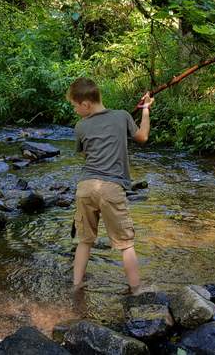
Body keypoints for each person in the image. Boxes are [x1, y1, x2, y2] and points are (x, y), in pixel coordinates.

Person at [67, 77, 153, 295]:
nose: (75, 110)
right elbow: (142, 137)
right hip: (112, 187)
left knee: (84, 242)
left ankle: (76, 287)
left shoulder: (81, 126)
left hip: (85, 187)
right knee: (126, 244)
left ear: (85, 104)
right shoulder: (122, 116)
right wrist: (145, 111)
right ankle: (136, 290)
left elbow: (87, 154)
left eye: (74, 106)